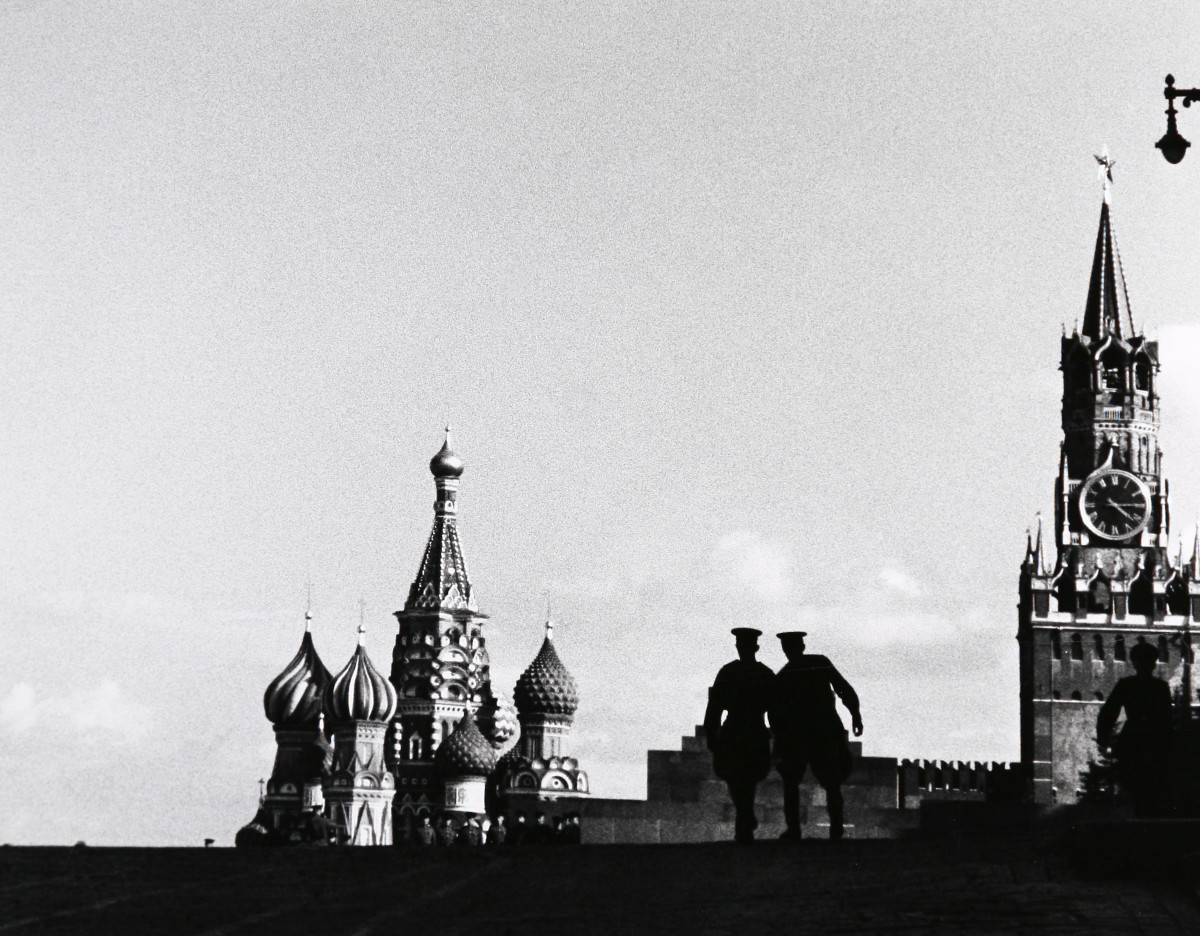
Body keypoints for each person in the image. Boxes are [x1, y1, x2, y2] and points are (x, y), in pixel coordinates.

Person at [770, 631, 862, 841]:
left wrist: (780, 738)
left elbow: (775, 713)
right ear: (801, 646)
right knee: (830, 782)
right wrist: (855, 715)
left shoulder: (785, 675)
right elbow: (844, 689)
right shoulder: (816, 663)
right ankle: (835, 828)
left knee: (794, 782)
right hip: (822, 732)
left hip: (802, 735)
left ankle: (796, 829)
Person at [703, 627, 775, 843]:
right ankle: (745, 818)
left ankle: (744, 818)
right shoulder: (765, 674)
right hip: (755, 732)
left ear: (739, 647)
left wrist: (711, 733)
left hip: (733, 731)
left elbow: (714, 708)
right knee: (747, 780)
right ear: (756, 647)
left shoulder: (728, 672)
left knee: (736, 779)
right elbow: (776, 710)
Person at [1097, 641, 1173, 817]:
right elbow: (1167, 720)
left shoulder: (1127, 684)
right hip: (1154, 744)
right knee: (1150, 788)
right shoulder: (1160, 687)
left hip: (1133, 741)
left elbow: (1108, 713)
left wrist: (1103, 737)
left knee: (1134, 787)